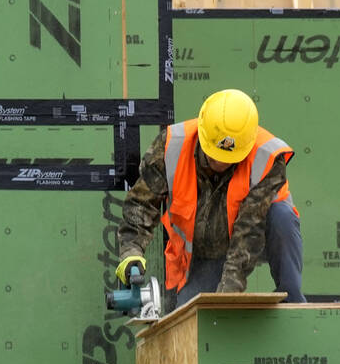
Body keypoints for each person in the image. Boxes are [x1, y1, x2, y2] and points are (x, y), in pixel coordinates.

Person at [116, 88, 306, 306]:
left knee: (282, 215)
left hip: (251, 238)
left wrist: (227, 296)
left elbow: (249, 230)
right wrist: (131, 252)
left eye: (229, 158)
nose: (221, 164)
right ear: (202, 133)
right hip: (200, 255)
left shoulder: (267, 156)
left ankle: (292, 302)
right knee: (191, 317)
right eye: (215, 157)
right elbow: (141, 205)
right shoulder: (171, 147)